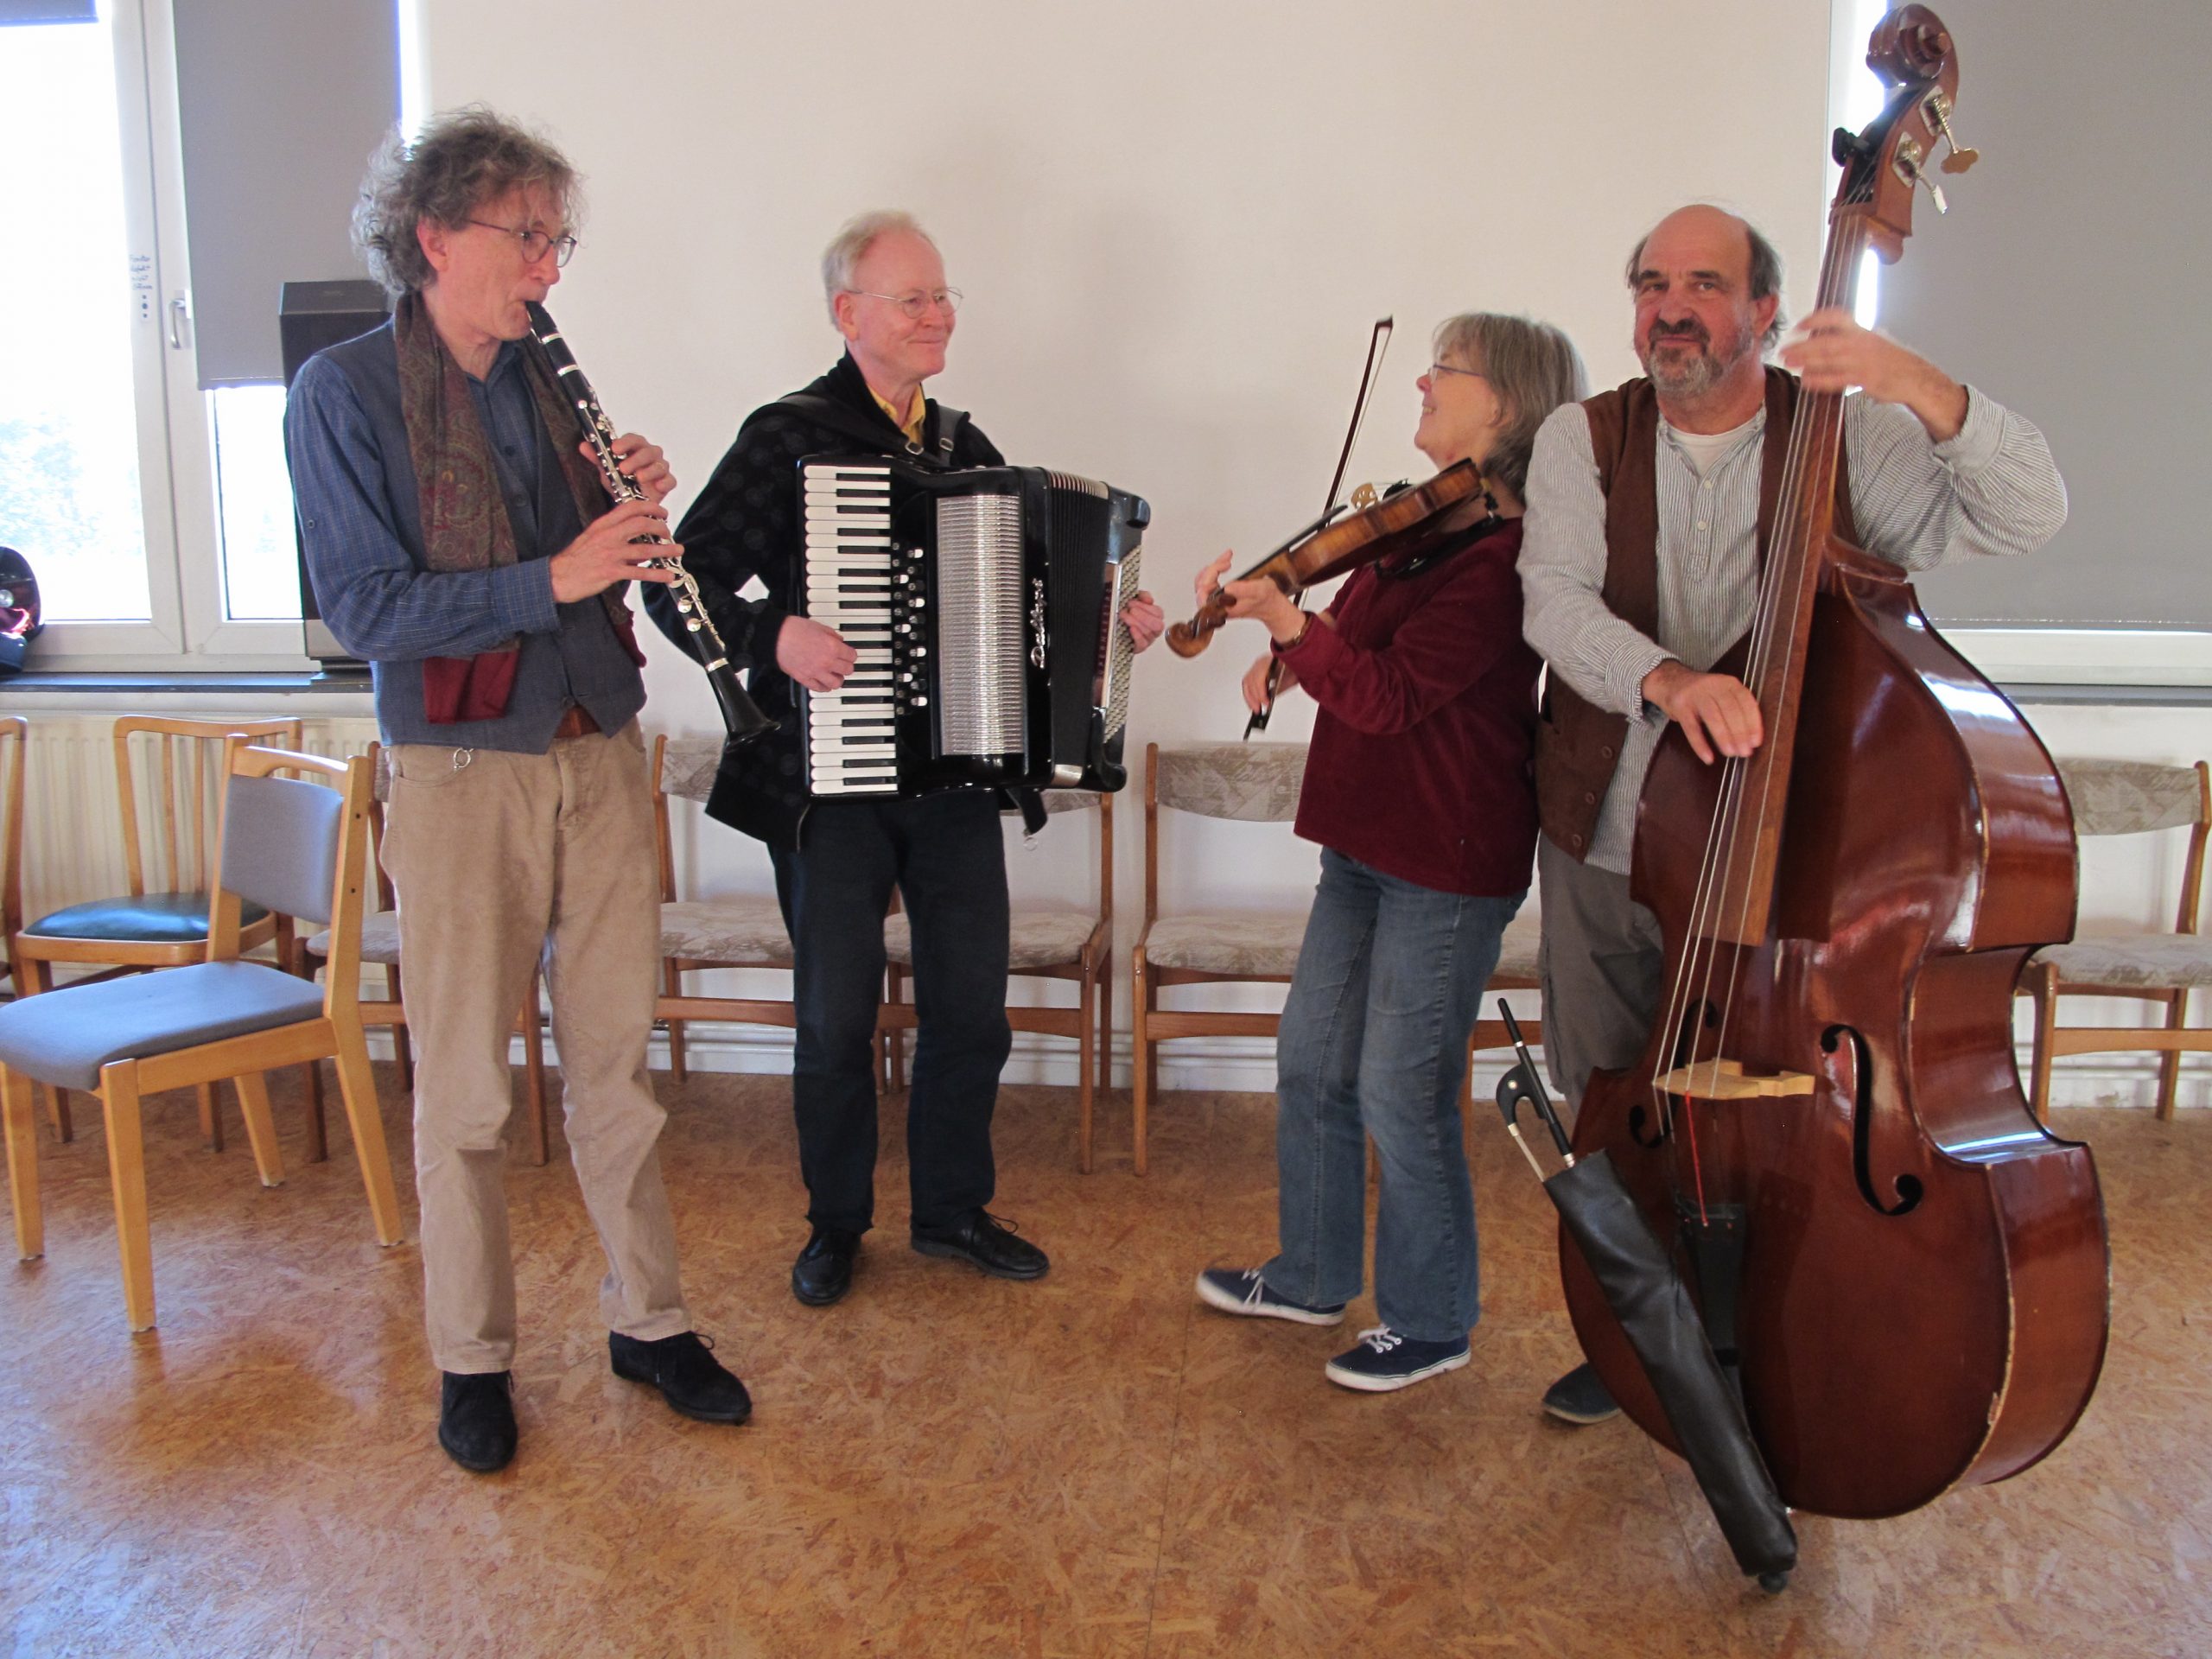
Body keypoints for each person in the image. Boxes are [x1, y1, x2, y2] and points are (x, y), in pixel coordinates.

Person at [1518, 202, 2068, 1426]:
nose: (1672, 308)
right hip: (1611, 830)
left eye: (1704, 284)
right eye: (1652, 282)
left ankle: (1787, 1326)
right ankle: (1635, 1335)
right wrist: (1670, 679)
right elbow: (1551, 603)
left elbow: (2030, 514)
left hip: (1796, 860)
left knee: (1787, 1115)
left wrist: (1912, 381)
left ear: (1766, 312)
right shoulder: (1583, 437)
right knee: (1614, 1094)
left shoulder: (1849, 435)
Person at [286, 109, 749, 1474]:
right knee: (472, 1092)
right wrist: (552, 575)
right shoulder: (347, 392)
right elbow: (365, 608)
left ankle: (649, 1322)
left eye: (559, 239)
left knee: (616, 1066)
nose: (550, 268)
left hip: (599, 750)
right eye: (527, 237)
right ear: (435, 238)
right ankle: (471, 1358)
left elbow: (596, 568)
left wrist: (632, 513)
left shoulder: (552, 387)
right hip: (459, 769)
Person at [657, 212, 1163, 1308]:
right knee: (834, 1016)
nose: (936, 317)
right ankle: (835, 1222)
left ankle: (950, 1211)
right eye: (912, 300)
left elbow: (1020, 620)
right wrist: (772, 636)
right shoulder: (784, 435)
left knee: (971, 1009)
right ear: (848, 316)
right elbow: (675, 578)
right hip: (827, 787)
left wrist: (1104, 627)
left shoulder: (965, 454)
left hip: (947, 783)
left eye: (943, 298)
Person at [1190, 313, 1587, 1391]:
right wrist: (1287, 657)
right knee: (1311, 1063)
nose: (1420, 379)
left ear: (1502, 405)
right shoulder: (1415, 534)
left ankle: (1430, 1319)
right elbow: (1355, 654)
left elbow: (1399, 694)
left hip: (1447, 860)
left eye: (1445, 370)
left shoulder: (1506, 560)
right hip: (1362, 839)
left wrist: (1289, 633)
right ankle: (1313, 1273)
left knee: (1399, 1089)